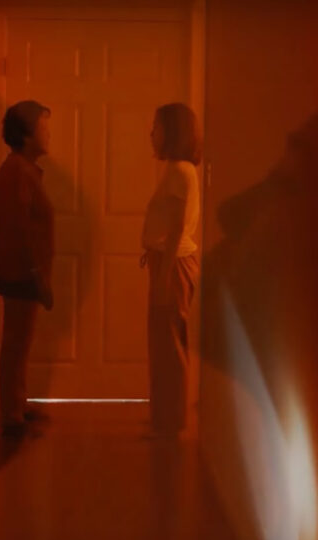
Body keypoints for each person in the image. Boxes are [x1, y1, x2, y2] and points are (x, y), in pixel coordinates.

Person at [0, 100, 55, 437]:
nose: (48, 134)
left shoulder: (24, 170)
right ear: (27, 134)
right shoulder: (16, 171)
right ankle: (11, 414)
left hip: (25, 272)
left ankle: (18, 401)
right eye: (44, 128)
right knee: (15, 342)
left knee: (21, 341)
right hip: (20, 273)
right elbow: (19, 230)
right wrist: (37, 277)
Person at [140, 102, 202, 437]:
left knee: (170, 344)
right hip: (169, 262)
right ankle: (165, 416)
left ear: (173, 132)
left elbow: (177, 227)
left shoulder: (180, 170)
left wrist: (163, 276)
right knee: (164, 342)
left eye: (157, 127)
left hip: (173, 264)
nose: (152, 134)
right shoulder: (179, 170)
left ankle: (171, 421)